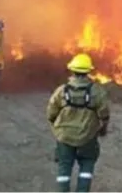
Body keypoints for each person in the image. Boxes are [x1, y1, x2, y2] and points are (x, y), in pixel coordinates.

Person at [46, 53, 110, 192]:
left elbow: (51, 112)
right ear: (88, 71)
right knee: (87, 165)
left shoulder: (61, 91)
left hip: (64, 137)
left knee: (64, 166)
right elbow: (104, 114)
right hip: (87, 137)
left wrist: (56, 126)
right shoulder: (97, 91)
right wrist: (103, 128)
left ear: (72, 70)